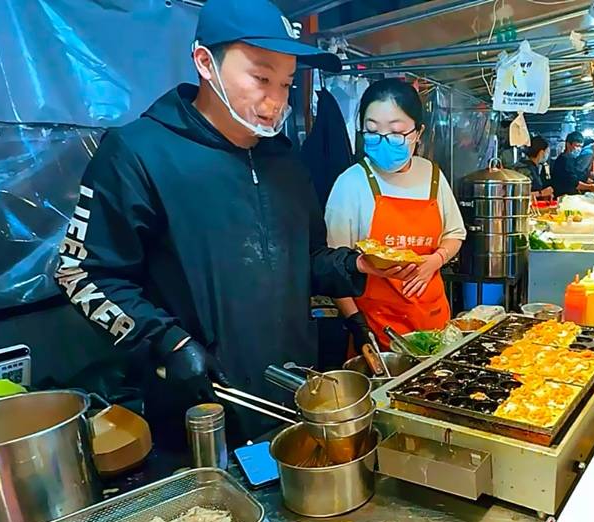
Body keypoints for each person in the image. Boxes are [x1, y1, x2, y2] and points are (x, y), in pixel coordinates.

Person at [54, 0, 390, 443]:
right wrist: (169, 343)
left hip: (291, 392)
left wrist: (354, 265)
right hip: (201, 407)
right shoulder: (138, 153)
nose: (276, 101)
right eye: (261, 78)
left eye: (287, 83)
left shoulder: (285, 161)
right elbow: (82, 273)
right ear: (204, 62)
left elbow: (303, 259)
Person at [324, 79, 467, 350]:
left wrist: (436, 260)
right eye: (372, 131)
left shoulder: (432, 175)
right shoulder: (351, 183)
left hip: (433, 320)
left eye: (396, 132)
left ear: (418, 132)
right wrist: (357, 323)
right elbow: (334, 269)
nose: (383, 141)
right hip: (378, 329)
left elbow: (455, 233)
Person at [551, 132, 594, 197]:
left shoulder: (572, 158)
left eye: (580, 146)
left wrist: (588, 180)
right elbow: (573, 182)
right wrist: (590, 187)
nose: (578, 149)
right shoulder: (565, 160)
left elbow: (577, 176)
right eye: (577, 146)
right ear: (568, 144)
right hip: (563, 196)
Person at [513, 135, 554, 201]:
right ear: (541, 152)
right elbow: (520, 195)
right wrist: (541, 193)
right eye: (547, 152)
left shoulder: (534, 167)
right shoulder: (523, 169)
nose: (547, 155)